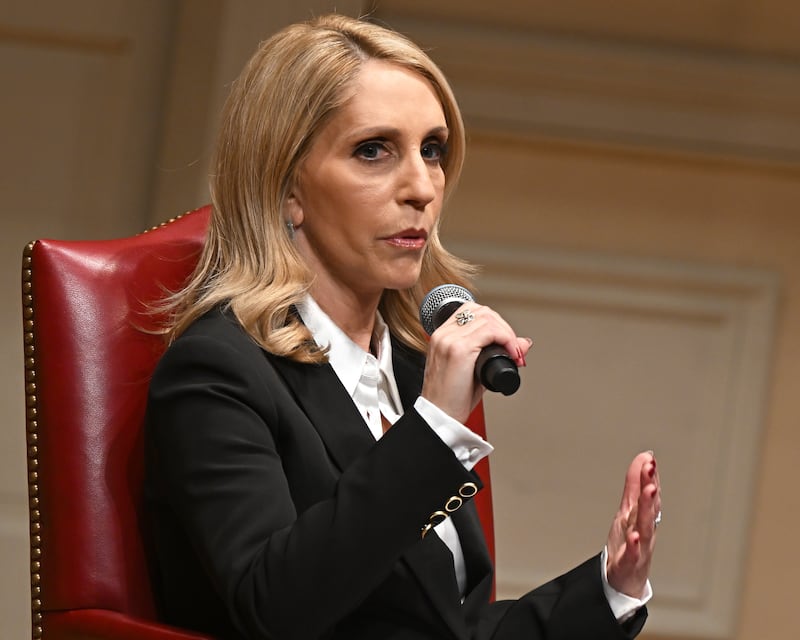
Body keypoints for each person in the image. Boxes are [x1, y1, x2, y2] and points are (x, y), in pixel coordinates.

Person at [144, 13, 661, 640]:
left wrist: (610, 588)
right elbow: (273, 608)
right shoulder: (219, 373)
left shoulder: (412, 365)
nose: (421, 187)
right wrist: (435, 429)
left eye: (432, 150)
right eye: (373, 150)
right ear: (286, 189)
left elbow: (449, 629)